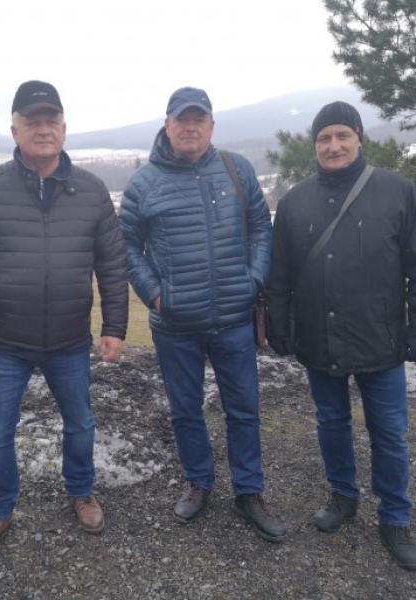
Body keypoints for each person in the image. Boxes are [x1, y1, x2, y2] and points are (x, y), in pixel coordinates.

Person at [0, 80, 128, 559]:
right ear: (15, 130)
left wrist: (114, 327)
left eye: (52, 121)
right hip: (5, 341)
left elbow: (112, 265)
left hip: (70, 341)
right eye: (33, 122)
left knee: (80, 423)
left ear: (64, 130)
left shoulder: (91, 191)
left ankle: (82, 491)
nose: (43, 129)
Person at [265, 101, 416, 569]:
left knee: (389, 433)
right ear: (314, 146)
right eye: (324, 138)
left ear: (359, 138)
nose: (334, 145)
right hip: (318, 337)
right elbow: (279, 274)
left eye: (342, 135)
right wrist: (279, 326)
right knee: (331, 422)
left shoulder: (397, 191)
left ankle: (395, 517)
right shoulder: (294, 202)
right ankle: (343, 496)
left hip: (380, 338)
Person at [120, 87, 285, 542]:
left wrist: (253, 280)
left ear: (211, 125)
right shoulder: (144, 183)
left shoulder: (237, 169)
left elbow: (261, 229)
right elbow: (126, 247)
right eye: (182, 119)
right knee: (185, 410)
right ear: (167, 124)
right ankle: (199, 482)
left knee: (244, 410)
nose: (190, 127)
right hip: (175, 326)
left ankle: (249, 491)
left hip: (234, 319)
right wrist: (157, 296)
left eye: (199, 119)